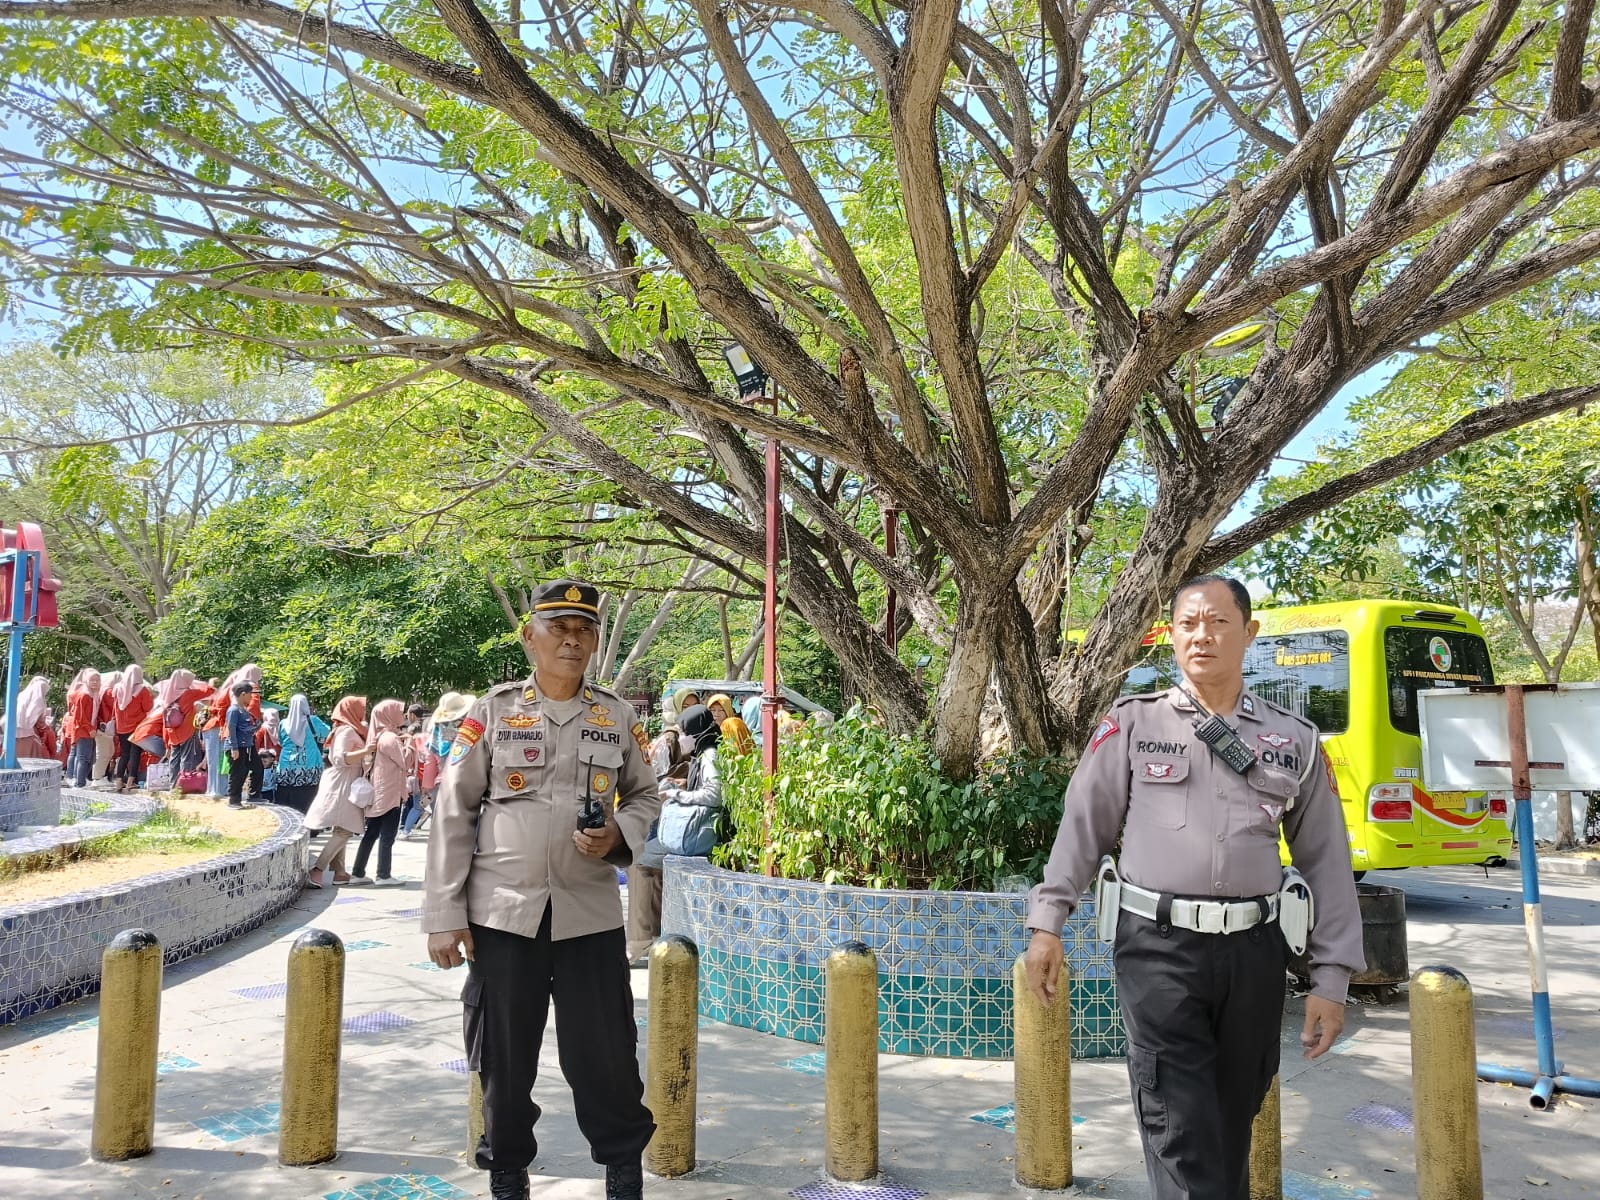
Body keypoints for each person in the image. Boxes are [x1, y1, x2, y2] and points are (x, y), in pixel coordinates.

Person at [1023, 575, 1363, 1200]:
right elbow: (1084, 826)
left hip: (1255, 951)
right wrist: (1049, 922)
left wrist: (1332, 978)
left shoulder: (1293, 741)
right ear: (1171, 636)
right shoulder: (1134, 723)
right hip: (1157, 947)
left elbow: (1327, 863)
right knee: (1179, 1123)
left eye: (1218, 622)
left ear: (1249, 633)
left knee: (1232, 1117)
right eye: (1187, 624)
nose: (1201, 635)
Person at [424, 579, 660, 1200]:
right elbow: (454, 811)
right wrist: (444, 913)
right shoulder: (493, 711)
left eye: (584, 630)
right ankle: (507, 1173)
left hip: (588, 916)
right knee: (504, 1056)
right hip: (504, 916)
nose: (572, 641)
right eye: (559, 628)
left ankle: (622, 1171)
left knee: (606, 1055)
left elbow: (644, 794)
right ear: (530, 637)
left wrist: (618, 835)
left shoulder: (618, 715)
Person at [629, 703, 724, 964]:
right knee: (653, 863)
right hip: (697, 832)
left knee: (641, 862)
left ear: (695, 732)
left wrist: (676, 794)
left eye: (684, 731)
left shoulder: (709, 756)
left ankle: (640, 943)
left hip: (698, 834)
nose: (681, 737)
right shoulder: (706, 753)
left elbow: (714, 794)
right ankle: (654, 938)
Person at [305, 696, 370, 887]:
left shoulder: (347, 729)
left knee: (342, 827)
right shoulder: (347, 731)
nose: (363, 712)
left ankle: (340, 873)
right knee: (345, 830)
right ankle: (317, 870)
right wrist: (366, 751)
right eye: (360, 708)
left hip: (346, 782)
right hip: (344, 783)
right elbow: (339, 758)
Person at [348, 698, 411, 887]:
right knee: (387, 835)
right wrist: (411, 745)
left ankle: (358, 872)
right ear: (389, 714)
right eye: (399, 711)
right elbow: (405, 762)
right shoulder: (390, 738)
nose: (403, 714)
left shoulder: (380, 736)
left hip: (380, 791)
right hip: (391, 793)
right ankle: (383, 874)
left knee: (372, 833)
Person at [275, 694, 330, 814]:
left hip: (286, 765)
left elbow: (279, 740)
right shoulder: (313, 720)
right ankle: (310, 826)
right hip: (309, 764)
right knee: (309, 795)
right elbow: (327, 732)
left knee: (286, 796)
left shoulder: (283, 723)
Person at [111, 665, 153, 791]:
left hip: (121, 727)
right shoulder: (142, 690)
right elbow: (148, 708)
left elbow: (115, 708)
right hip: (137, 727)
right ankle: (130, 781)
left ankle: (118, 780)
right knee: (135, 754)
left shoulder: (118, 688)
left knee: (124, 754)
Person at [225, 680, 263, 809]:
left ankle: (254, 795)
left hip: (247, 746)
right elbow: (231, 729)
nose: (251, 697)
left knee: (256, 768)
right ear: (242, 694)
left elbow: (245, 728)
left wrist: (255, 727)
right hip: (238, 747)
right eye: (249, 694)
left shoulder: (243, 710)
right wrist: (234, 748)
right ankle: (233, 800)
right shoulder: (234, 710)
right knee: (238, 773)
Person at [63, 669, 102, 788]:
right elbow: (81, 716)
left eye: (97, 680)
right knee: (83, 757)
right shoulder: (85, 695)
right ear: (86, 681)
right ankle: (80, 783)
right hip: (83, 730)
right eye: (92, 680)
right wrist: (90, 728)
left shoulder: (92, 694)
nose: (95, 682)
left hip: (82, 728)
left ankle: (75, 779)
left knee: (78, 755)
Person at [13, 675, 57, 760]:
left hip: (14, 731)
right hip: (29, 733)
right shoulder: (38, 700)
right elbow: (35, 719)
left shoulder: (22, 695)